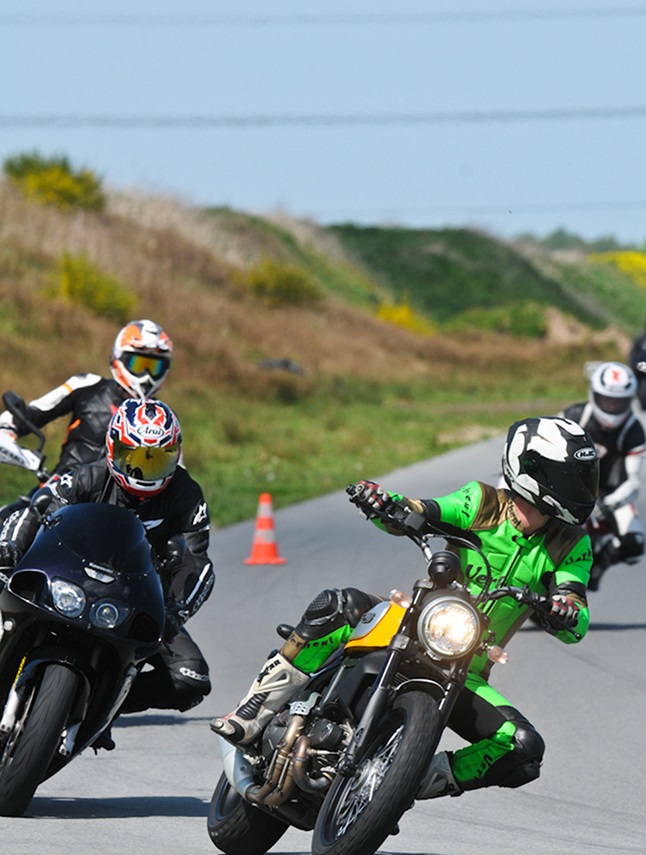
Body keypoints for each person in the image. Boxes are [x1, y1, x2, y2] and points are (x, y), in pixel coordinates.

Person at [212, 415, 599, 802]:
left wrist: (563, 609)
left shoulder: (571, 544)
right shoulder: (482, 502)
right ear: (530, 469)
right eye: (569, 478)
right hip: (412, 626)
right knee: (338, 604)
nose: (578, 489)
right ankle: (252, 712)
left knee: (523, 747)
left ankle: (405, 780)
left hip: (466, 667)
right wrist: (387, 503)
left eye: (583, 478)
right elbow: (424, 510)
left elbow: (574, 607)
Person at [0, 399, 214, 732]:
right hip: (67, 579)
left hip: (136, 598)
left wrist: (174, 610)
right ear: (113, 449)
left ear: (175, 456)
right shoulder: (89, 475)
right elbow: (40, 506)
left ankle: (103, 705)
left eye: (156, 460)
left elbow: (196, 562)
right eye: (134, 457)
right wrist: (11, 549)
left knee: (192, 677)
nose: (143, 470)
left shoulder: (187, 496)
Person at [0, 319, 174, 530]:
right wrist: (8, 431)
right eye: (139, 364)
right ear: (119, 357)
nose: (146, 376)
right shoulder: (86, 385)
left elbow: (173, 471)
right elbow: (30, 414)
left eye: (153, 366)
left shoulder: (162, 418)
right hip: (57, 495)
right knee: (6, 531)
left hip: (123, 517)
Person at [562, 361, 646, 591]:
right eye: (607, 399)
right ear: (595, 395)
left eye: (618, 401)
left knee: (634, 542)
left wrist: (606, 504)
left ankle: (598, 566)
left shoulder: (634, 431)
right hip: (566, 488)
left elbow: (633, 482)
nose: (611, 406)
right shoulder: (574, 415)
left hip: (609, 495)